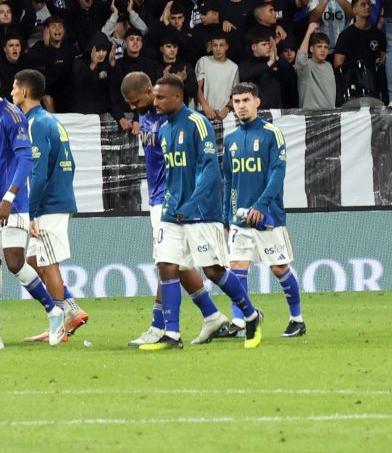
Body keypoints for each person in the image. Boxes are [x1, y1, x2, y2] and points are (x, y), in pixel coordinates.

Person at [140, 73, 262, 350]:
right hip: (173, 211)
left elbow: (209, 168)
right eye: (154, 96)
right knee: (167, 265)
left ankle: (251, 315)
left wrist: (191, 204)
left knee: (214, 270)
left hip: (202, 212)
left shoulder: (198, 122)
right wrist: (173, 204)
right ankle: (172, 334)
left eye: (160, 97)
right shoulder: (165, 130)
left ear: (177, 98)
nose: (155, 101)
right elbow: (173, 173)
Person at [121, 71, 231, 347]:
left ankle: (160, 326)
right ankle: (212, 315)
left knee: (167, 263)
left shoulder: (171, 118)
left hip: (173, 200)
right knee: (176, 264)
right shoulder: (146, 117)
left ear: (151, 92)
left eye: (136, 102)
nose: (133, 109)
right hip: (158, 198)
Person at [0, 66, 62, 352]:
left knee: (15, 262)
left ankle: (54, 313)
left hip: (11, 205)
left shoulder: (12, 116)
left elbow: (26, 161)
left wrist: (8, 198)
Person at [13, 69, 90, 343]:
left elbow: (39, 172)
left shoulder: (35, 123)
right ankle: (70, 309)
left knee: (49, 262)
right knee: (34, 261)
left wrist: (32, 212)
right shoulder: (50, 121)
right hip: (57, 198)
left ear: (24, 92)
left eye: (13, 88)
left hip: (49, 204)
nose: (11, 94)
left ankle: (60, 326)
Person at [224, 83, 303, 339]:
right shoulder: (231, 139)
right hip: (239, 219)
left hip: (267, 217)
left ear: (257, 102)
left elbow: (277, 173)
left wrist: (261, 205)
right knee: (237, 267)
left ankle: (297, 319)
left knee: (278, 268)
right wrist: (226, 216)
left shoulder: (272, 133)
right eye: (236, 101)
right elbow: (228, 180)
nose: (241, 106)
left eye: (246, 100)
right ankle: (240, 320)